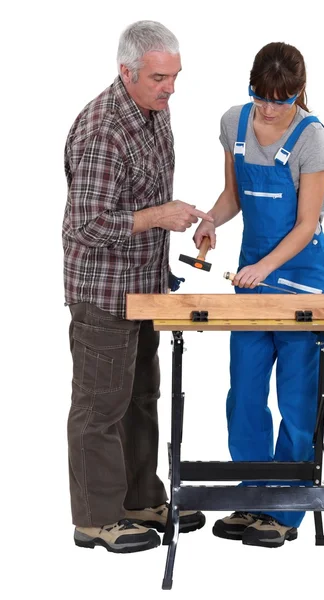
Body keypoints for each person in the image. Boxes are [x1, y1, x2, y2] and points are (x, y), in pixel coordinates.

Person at [62, 20, 212, 554]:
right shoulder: (104, 130)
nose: (170, 87)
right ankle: (98, 519)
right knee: (100, 407)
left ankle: (139, 499)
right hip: (104, 293)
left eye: (174, 76)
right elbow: (87, 225)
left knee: (139, 398)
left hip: (146, 288)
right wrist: (154, 218)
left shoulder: (153, 113)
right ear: (125, 72)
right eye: (158, 78)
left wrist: (183, 215)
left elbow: (146, 199)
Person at [193, 42, 324, 548]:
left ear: (297, 93)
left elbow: (306, 223)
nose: (270, 108)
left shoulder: (310, 136)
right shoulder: (234, 122)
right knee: (245, 396)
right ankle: (253, 497)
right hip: (252, 279)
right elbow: (234, 196)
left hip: (301, 279)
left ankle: (286, 509)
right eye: (261, 96)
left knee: (297, 401)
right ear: (250, 86)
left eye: (281, 98)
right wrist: (211, 220)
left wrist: (263, 269)